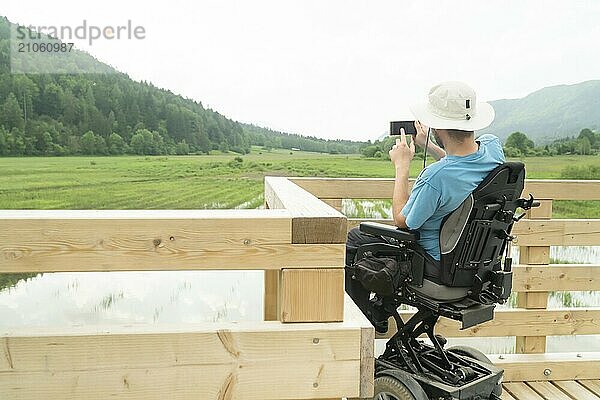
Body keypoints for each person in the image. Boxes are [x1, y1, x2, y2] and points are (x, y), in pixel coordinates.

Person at [346, 81, 505, 270]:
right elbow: (463, 164)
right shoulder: (493, 147)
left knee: (356, 236)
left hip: (435, 263)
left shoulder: (435, 177)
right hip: (476, 263)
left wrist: (402, 166)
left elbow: (402, 221)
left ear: (437, 126)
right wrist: (428, 145)